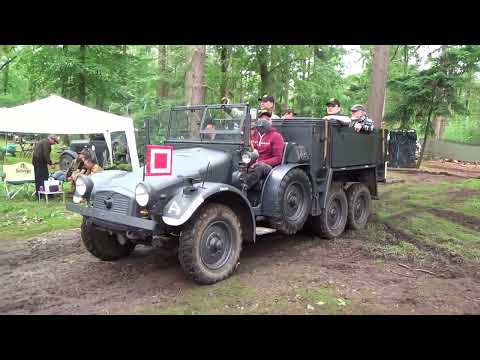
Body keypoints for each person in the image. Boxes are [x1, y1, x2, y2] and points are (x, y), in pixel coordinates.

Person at [244, 109, 285, 190]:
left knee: (259, 166)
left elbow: (278, 158)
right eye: (261, 118)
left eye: (267, 119)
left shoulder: (276, 136)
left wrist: (260, 162)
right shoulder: (253, 134)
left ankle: (244, 187)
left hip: (269, 167)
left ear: (271, 121)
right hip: (253, 163)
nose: (264, 121)